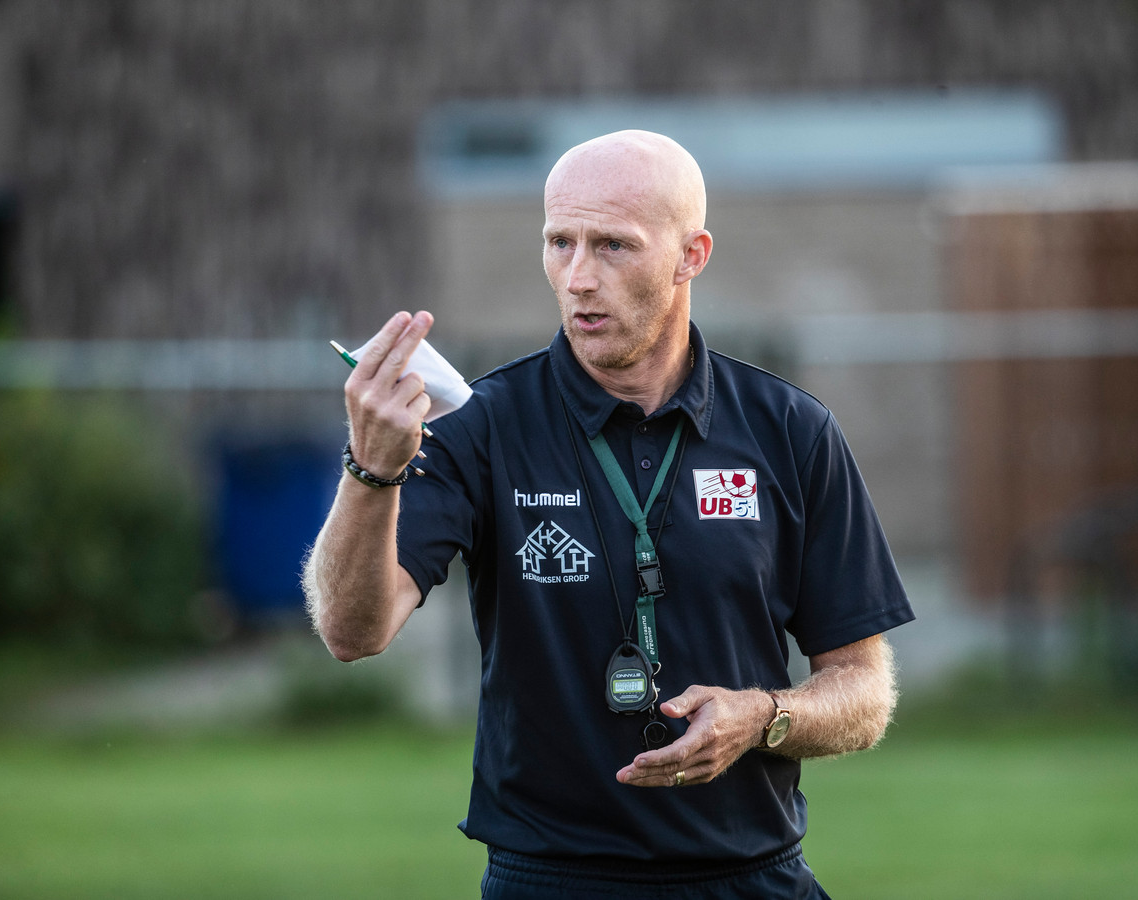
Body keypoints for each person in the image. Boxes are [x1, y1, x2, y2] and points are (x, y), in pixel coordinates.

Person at [302, 130, 914, 899]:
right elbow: (351, 631)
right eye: (561, 242)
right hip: (550, 879)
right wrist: (370, 472)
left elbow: (862, 691)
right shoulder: (482, 425)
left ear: (692, 255)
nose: (579, 278)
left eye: (614, 246)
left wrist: (762, 716)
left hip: (753, 878)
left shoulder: (790, 429)